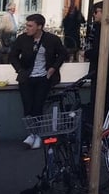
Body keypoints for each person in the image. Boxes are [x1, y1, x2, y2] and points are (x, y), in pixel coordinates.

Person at [9, 13, 67, 149]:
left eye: (30, 26)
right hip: (27, 78)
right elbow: (12, 56)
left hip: (43, 79)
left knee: (38, 106)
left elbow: (63, 53)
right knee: (28, 107)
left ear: (39, 27)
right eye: (26, 25)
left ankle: (37, 135)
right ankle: (31, 134)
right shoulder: (22, 39)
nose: (27, 28)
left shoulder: (51, 39)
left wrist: (53, 68)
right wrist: (20, 70)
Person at [84, 1, 109, 119]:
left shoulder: (104, 29)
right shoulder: (107, 28)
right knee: (105, 99)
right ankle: (104, 123)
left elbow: (100, 50)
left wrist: (87, 53)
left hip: (102, 68)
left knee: (100, 99)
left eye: (96, 12)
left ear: (104, 12)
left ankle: (101, 125)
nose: (94, 15)